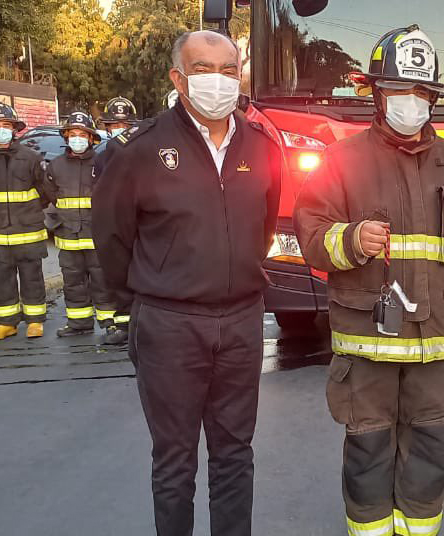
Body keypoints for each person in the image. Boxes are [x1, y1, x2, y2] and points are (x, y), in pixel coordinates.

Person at [293, 25, 444, 536]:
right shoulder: (343, 160)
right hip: (367, 344)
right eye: (401, 91)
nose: (412, 103)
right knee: (368, 449)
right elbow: (310, 232)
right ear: (378, 94)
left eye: (422, 93)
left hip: (436, 342)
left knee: (431, 447)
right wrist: (352, 239)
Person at [92, 30, 281, 536]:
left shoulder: (262, 147)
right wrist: (150, 297)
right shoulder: (140, 149)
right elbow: (111, 238)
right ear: (178, 77)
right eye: (203, 69)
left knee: (235, 454)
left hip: (241, 322)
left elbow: (264, 225)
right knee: (175, 461)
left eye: (227, 69)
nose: (217, 81)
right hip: (169, 326)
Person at [45, 111, 126, 343]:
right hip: (68, 237)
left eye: (82, 134)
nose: (77, 138)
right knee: (73, 282)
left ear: (91, 139)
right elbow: (50, 194)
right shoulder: (55, 166)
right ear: (66, 137)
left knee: (103, 282)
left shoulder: (101, 163)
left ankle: (110, 324)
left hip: (96, 237)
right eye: (73, 134)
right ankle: (79, 323)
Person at [0, 102, 48, 339]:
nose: (2, 129)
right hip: (0, 235)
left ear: (14, 129)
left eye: (5, 125)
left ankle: (35, 321)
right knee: (3, 280)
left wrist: (31, 214)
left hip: (28, 232)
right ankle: (7, 323)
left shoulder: (30, 158)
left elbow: (46, 191)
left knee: (32, 277)